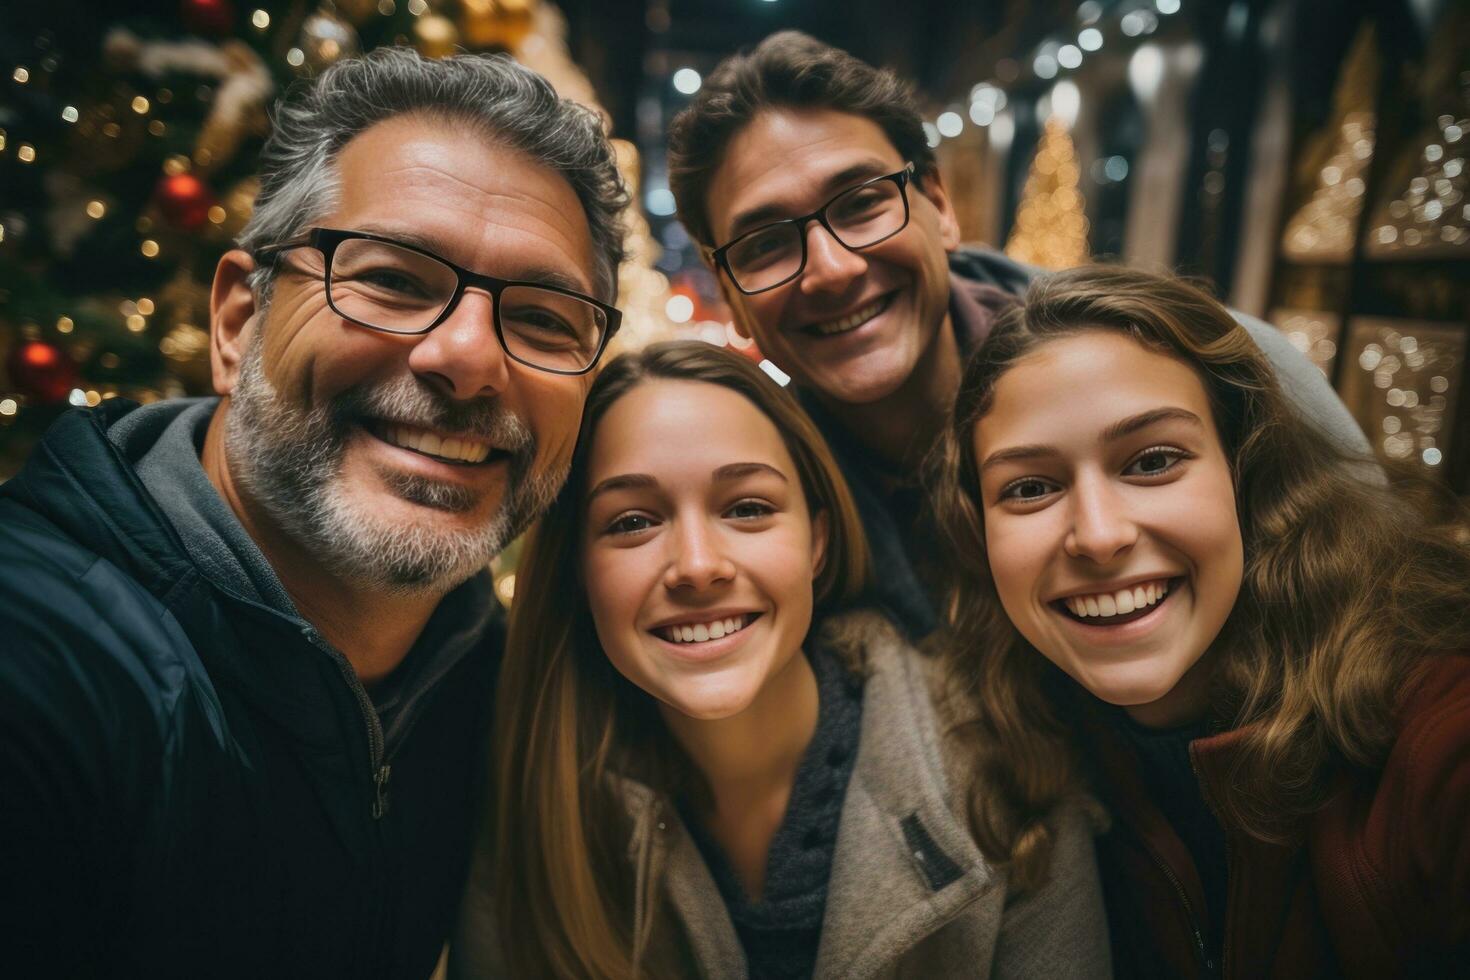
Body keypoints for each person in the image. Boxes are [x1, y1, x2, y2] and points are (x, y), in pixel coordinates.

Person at [0, 48, 627, 978]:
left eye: (542, 319)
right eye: (393, 279)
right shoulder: (35, 674)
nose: (467, 358)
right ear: (236, 324)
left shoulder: (512, 694)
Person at [667, 30, 1372, 641]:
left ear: (940, 207)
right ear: (728, 291)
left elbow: (1382, 613)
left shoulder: (1218, 370)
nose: (832, 268)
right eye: (764, 244)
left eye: (861, 204)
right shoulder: (763, 514)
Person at [451, 341, 1110, 979]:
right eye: (632, 522)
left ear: (816, 543)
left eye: (747, 508)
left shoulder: (1008, 771)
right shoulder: (527, 803)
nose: (698, 567)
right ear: (578, 571)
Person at [928, 265, 1470, 978]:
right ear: (981, 533)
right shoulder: (1016, 745)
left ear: (1245, 472)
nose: (1098, 536)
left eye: (1152, 461)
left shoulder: (1431, 736)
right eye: (1030, 488)